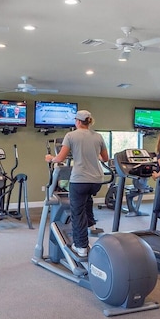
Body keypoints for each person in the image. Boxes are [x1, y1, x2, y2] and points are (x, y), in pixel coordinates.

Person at [45, 110, 109, 258]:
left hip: (80, 179)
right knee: (87, 199)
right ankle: (91, 224)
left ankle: (81, 246)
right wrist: (93, 155)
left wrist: (50, 158)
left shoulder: (71, 135)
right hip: (97, 180)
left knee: (77, 213)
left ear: (78, 122)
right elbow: (105, 158)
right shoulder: (98, 136)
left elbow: (60, 158)